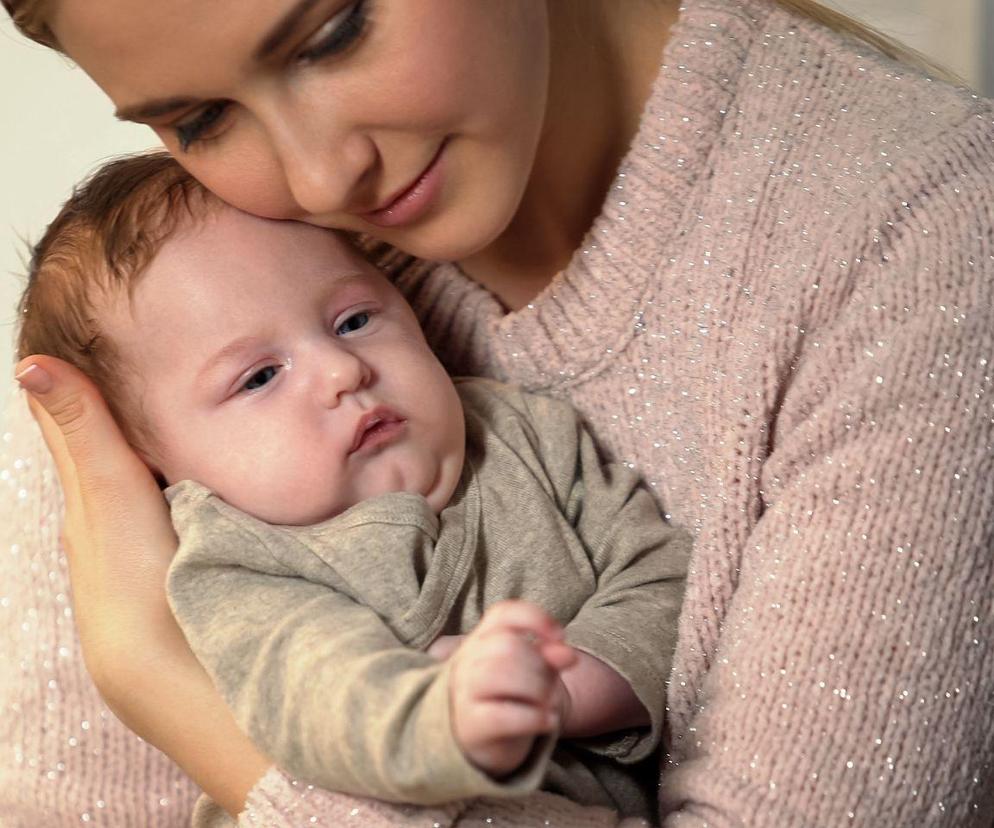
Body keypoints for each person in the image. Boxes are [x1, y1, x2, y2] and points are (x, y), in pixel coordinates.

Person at [2, 0, 993, 825]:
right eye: (199, 118)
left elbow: (649, 575)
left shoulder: (921, 243)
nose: (315, 180)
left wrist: (167, 690)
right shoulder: (168, 292)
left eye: (335, 30)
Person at [16, 152, 689, 823]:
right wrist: (441, 717)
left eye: (354, 320)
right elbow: (317, 694)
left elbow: (662, 579)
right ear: (159, 469)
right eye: (258, 377)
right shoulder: (236, 559)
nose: (341, 370)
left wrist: (572, 685)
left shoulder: (525, 432)